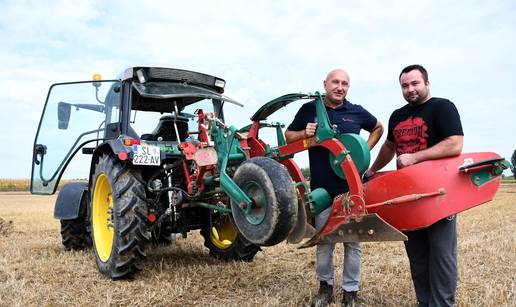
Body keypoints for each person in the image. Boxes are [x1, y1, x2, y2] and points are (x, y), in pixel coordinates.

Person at [367, 64, 463, 306]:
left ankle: (442, 304)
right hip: (407, 195)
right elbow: (389, 147)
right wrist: (372, 169)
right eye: (405, 85)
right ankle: (424, 301)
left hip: (438, 194)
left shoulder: (443, 107)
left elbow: (455, 144)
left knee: (441, 254)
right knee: (417, 255)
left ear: (426, 83)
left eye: (415, 83)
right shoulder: (397, 115)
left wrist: (415, 158)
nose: (410, 89)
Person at [285, 68, 383, 307]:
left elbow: (378, 128)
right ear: (325, 84)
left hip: (351, 190)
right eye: (335, 82)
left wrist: (364, 151)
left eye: (345, 83)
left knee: (353, 242)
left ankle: (351, 292)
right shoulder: (310, 109)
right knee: (324, 241)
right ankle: (325, 288)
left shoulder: (357, 112)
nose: (340, 87)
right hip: (322, 190)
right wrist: (304, 133)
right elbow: (289, 137)